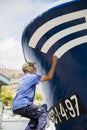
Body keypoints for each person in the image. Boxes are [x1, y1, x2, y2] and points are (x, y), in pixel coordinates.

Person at [12, 55, 58, 130]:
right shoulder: (32, 77)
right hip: (24, 104)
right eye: (33, 66)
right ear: (28, 69)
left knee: (35, 119)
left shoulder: (23, 79)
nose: (35, 67)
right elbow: (49, 77)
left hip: (16, 106)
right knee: (43, 113)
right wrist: (54, 63)